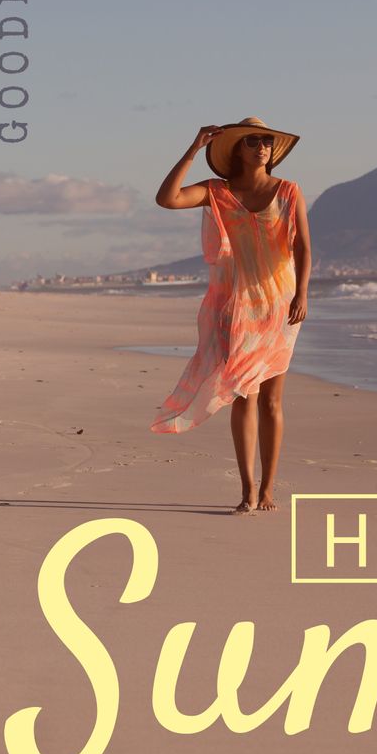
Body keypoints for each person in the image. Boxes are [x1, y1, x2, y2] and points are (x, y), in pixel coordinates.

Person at [150, 117, 311, 516]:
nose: (262, 147)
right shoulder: (216, 193)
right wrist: (193, 149)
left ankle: (270, 488)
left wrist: (303, 294)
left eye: (267, 141)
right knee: (243, 393)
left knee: (272, 399)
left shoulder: (288, 191)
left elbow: (304, 246)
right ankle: (247, 489)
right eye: (253, 141)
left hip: (281, 306)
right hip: (237, 307)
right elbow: (167, 199)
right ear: (236, 149)